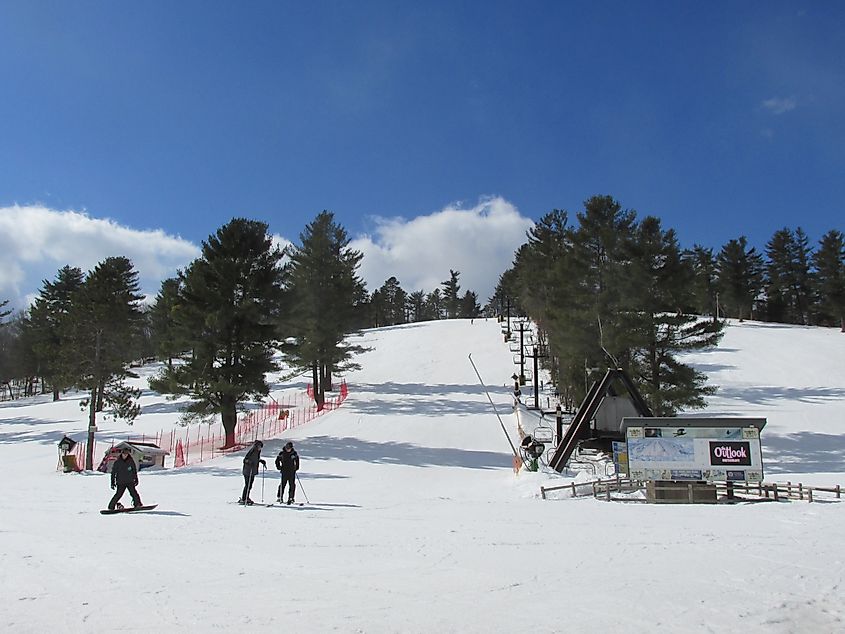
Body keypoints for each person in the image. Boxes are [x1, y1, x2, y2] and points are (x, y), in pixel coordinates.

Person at [239, 440, 266, 505]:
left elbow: (255, 459)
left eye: (261, 447)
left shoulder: (257, 452)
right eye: (259, 446)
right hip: (248, 471)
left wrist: (260, 460)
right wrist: (249, 462)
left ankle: (246, 497)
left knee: (250, 485)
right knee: (247, 485)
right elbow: (245, 460)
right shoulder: (252, 451)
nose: (260, 448)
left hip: (252, 471)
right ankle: (244, 498)